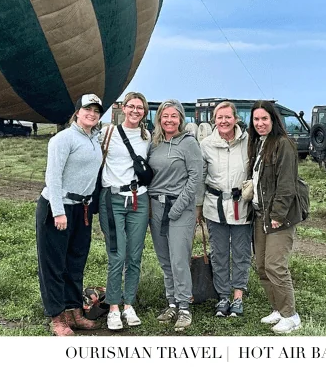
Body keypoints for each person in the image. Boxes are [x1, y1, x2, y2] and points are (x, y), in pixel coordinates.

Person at [35, 94, 105, 336]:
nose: (92, 114)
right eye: (87, 109)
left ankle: (75, 311)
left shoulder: (94, 139)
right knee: (54, 264)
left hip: (82, 208)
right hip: (59, 206)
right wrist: (58, 212)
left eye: (96, 111)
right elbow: (53, 177)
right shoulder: (62, 139)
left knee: (76, 262)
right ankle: (57, 317)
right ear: (77, 112)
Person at [147, 99, 204, 332]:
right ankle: (171, 302)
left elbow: (195, 177)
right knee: (165, 259)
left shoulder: (189, 143)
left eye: (174, 115)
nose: (169, 120)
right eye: (165, 115)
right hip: (156, 207)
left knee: (179, 258)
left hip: (179, 207)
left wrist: (179, 207)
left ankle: (184, 306)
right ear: (159, 118)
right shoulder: (155, 143)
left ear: (181, 118)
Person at [247, 100, 303, 334]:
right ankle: (277, 309)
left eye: (264, 119)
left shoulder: (283, 144)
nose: (260, 123)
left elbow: (287, 184)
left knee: (275, 265)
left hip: (278, 216)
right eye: (256, 119)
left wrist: (278, 214)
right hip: (260, 214)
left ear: (273, 120)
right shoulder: (258, 144)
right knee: (262, 265)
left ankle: (291, 315)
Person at [97, 92, 151, 331]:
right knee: (117, 255)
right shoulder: (107, 133)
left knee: (134, 256)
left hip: (139, 199)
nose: (135, 111)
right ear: (123, 109)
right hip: (113, 199)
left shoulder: (147, 137)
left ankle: (128, 304)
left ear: (144, 112)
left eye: (140, 107)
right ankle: (113, 307)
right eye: (131, 106)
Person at [198, 101, 251, 318]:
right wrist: (198, 206)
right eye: (220, 117)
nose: (224, 121)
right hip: (215, 206)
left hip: (241, 206)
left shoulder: (248, 142)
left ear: (236, 119)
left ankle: (238, 296)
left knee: (241, 252)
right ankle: (223, 296)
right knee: (219, 253)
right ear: (214, 120)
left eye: (228, 117)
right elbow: (201, 176)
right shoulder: (206, 144)